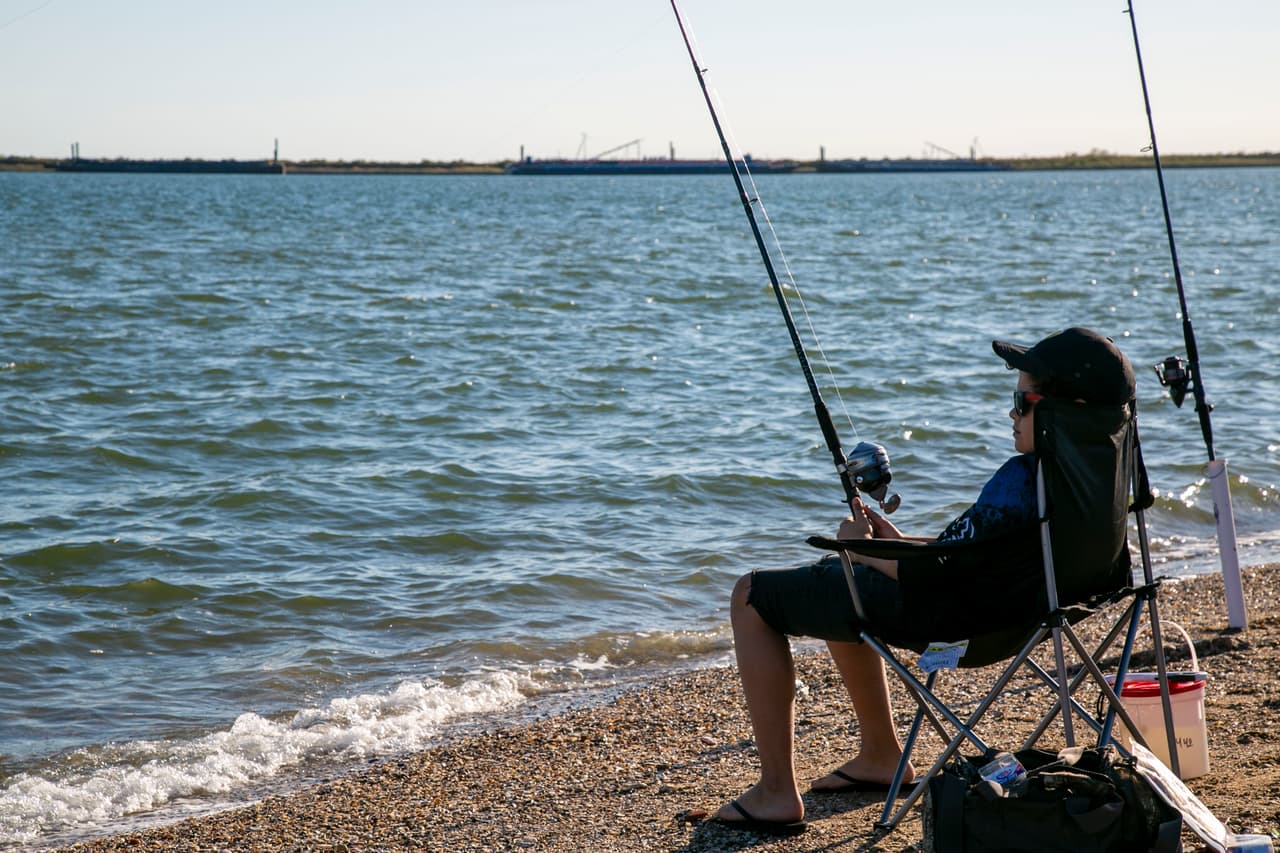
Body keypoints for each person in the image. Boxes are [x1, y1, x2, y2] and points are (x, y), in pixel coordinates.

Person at [711, 327, 1137, 835]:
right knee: (834, 579)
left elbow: (939, 572)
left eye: (1022, 401)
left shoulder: (1023, 478)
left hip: (958, 622)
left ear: (1064, 409)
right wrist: (886, 542)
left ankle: (776, 791)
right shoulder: (1092, 476)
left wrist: (860, 548)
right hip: (1030, 614)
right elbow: (968, 553)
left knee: (752, 594)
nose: (1012, 413)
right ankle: (880, 755)